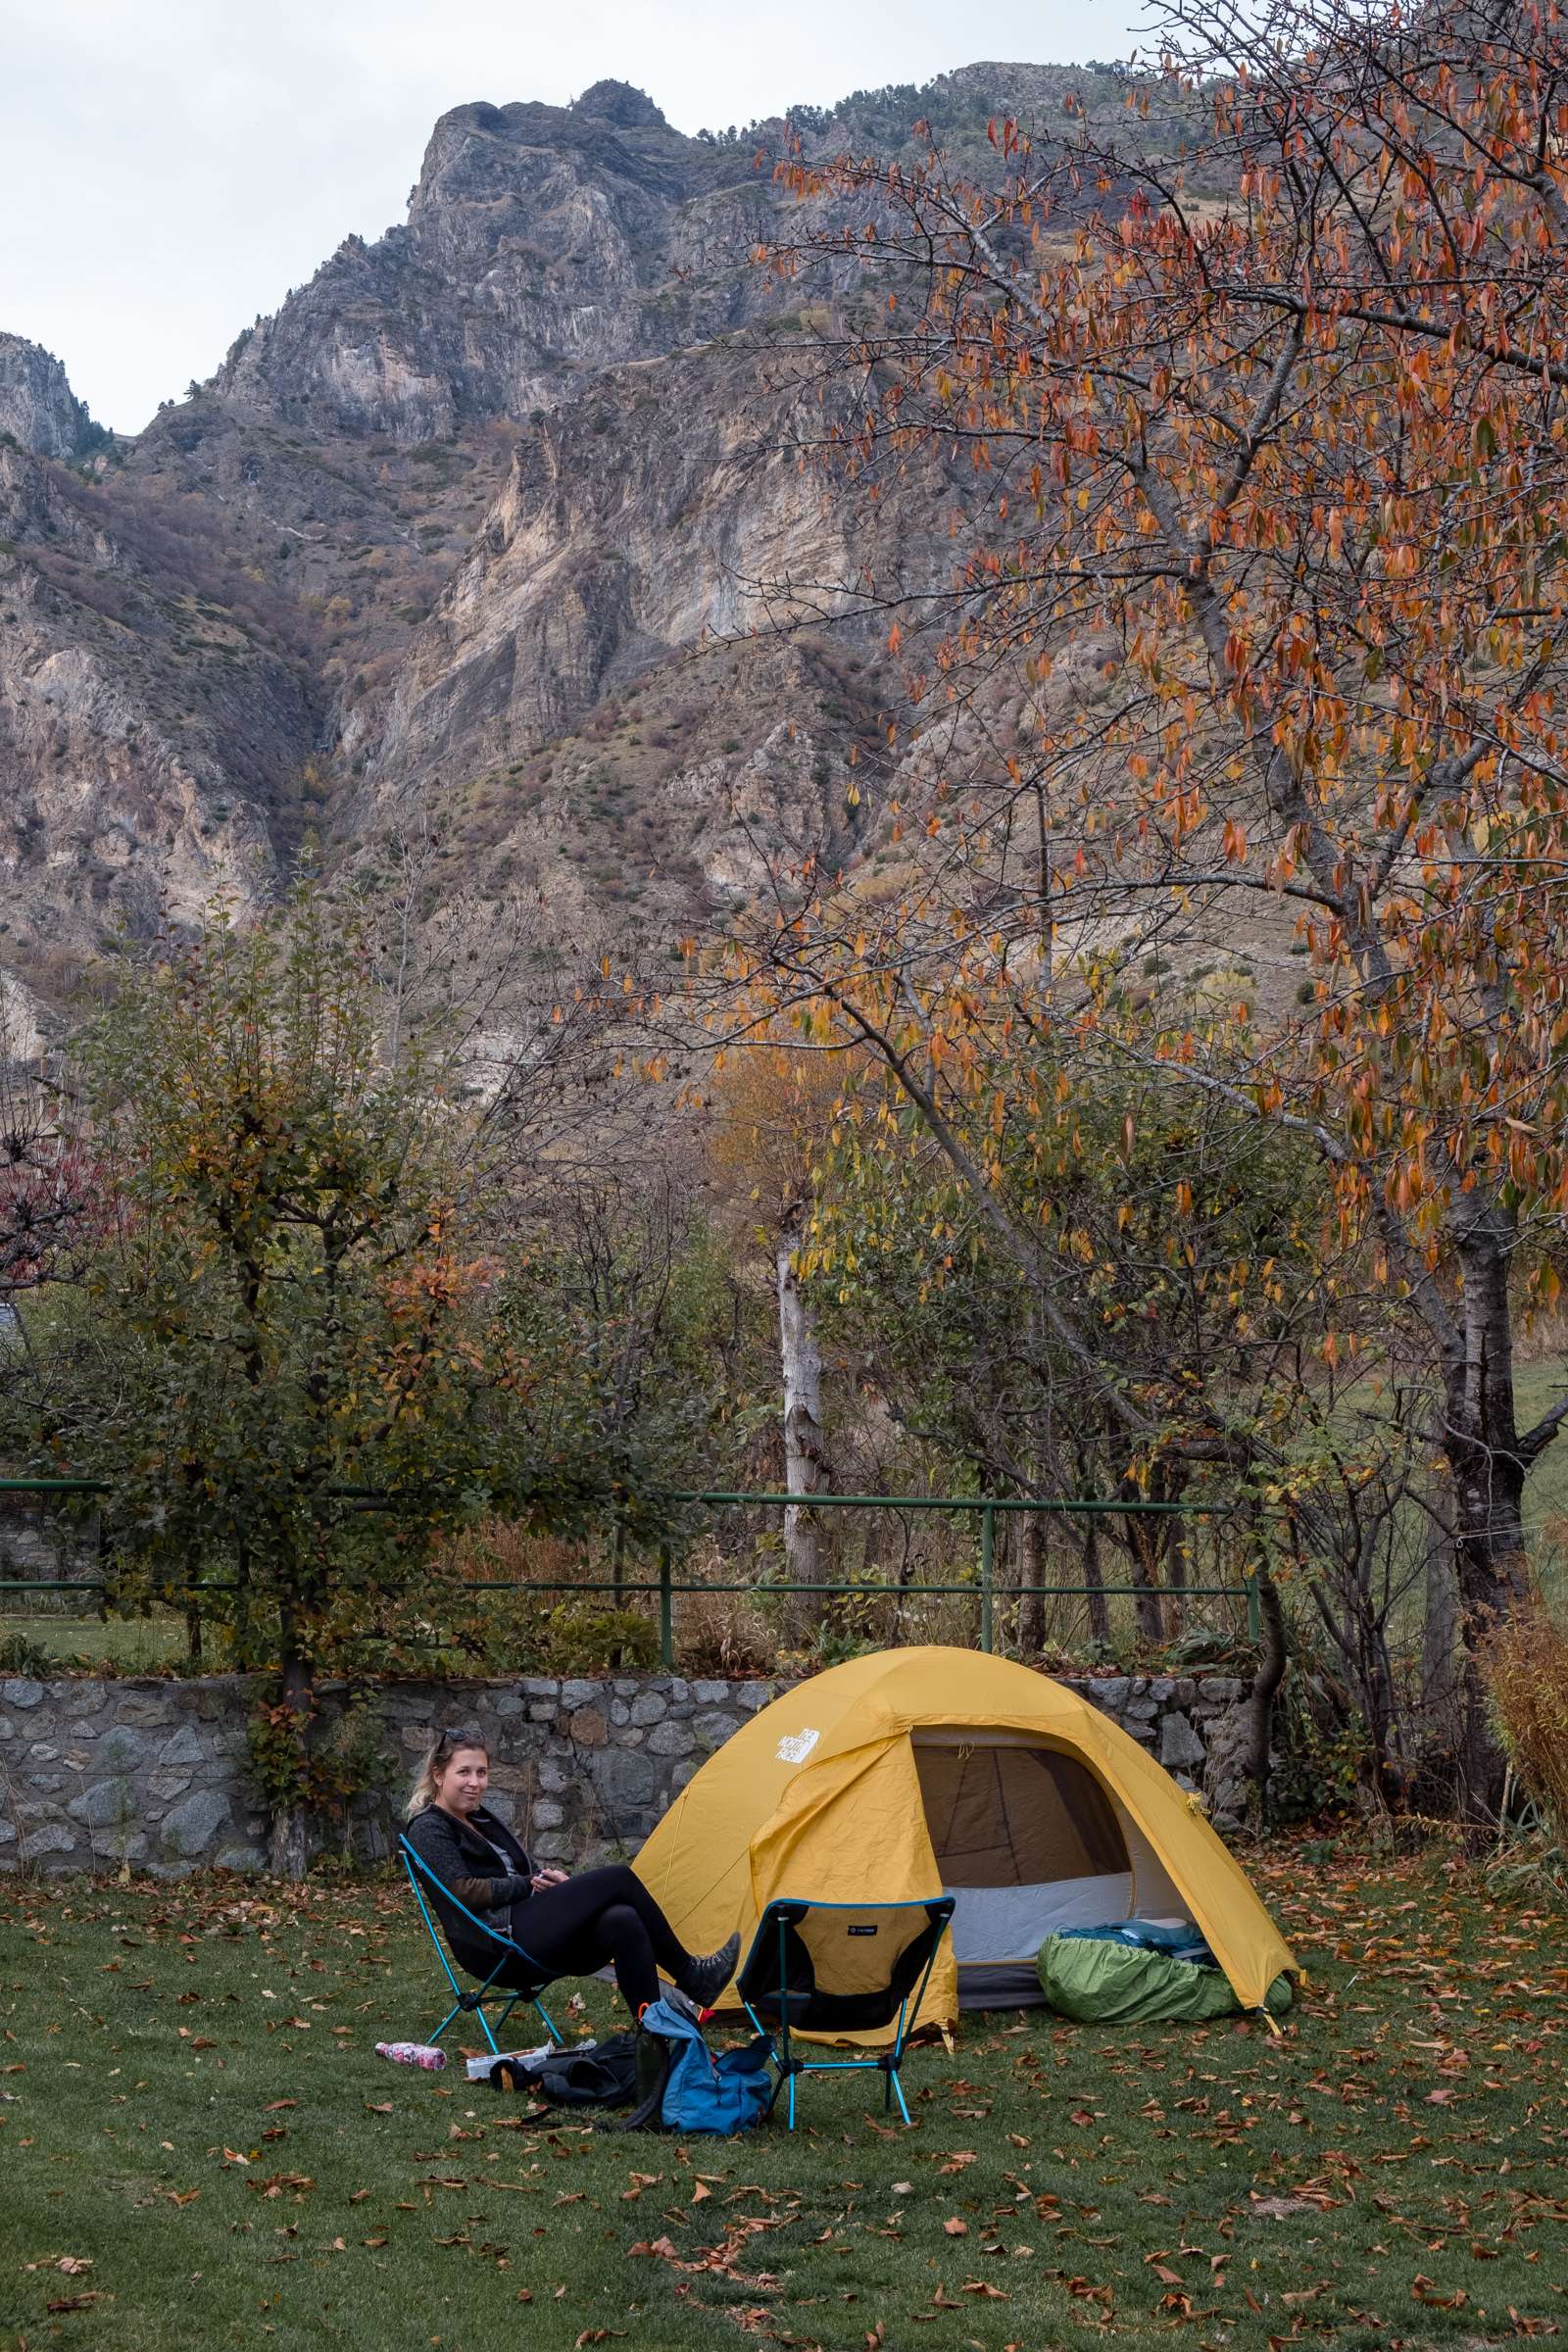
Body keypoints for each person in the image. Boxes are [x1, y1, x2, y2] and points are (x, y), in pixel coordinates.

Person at [403, 1725, 739, 2020]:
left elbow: (520, 1875)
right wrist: (528, 1886)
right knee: (619, 1877)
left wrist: (550, 1886)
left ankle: (654, 2031)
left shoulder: (478, 1819)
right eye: (464, 1772)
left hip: (524, 1926)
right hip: (494, 1945)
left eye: (482, 1772)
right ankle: (691, 1974)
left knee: (621, 1919)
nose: (475, 1782)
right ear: (438, 1775)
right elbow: (461, 1891)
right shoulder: (429, 1827)